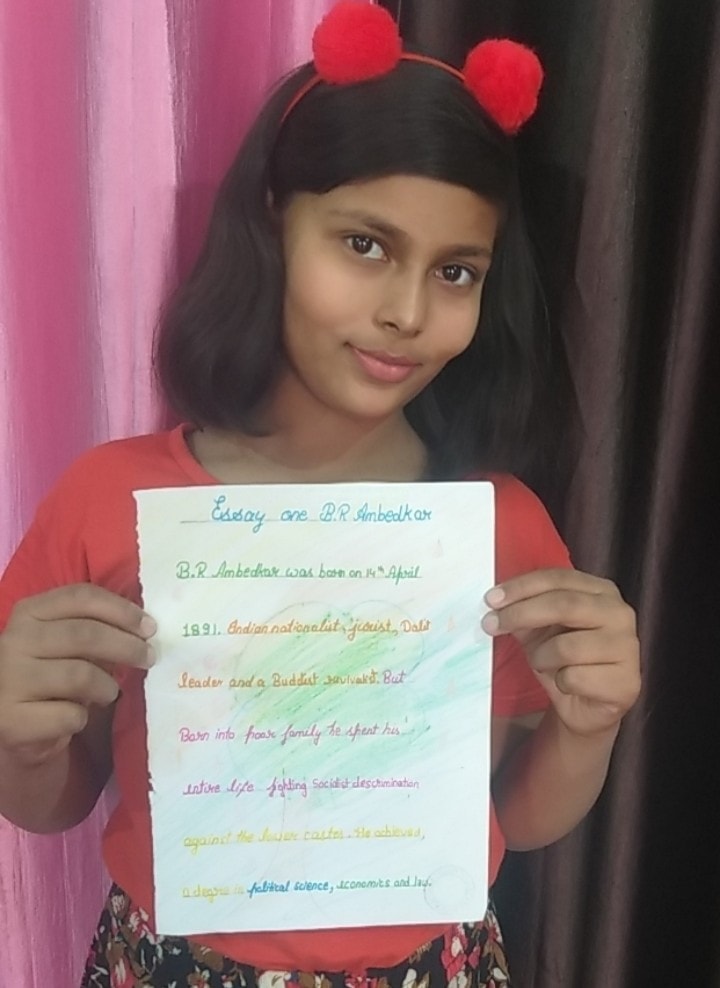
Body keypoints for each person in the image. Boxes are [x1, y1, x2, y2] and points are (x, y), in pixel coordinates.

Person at [0, 3, 640, 986]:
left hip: (434, 965)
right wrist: (17, 729)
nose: (407, 312)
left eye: (456, 270)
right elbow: (51, 798)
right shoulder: (109, 499)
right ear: (272, 220)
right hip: (172, 963)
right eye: (365, 245)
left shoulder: (495, 527)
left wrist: (588, 723)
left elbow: (513, 814)